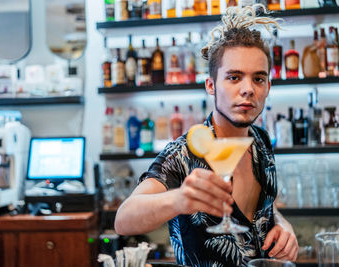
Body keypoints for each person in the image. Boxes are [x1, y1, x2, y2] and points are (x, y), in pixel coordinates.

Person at [114, 4, 298, 266]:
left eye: (258, 79)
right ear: (211, 86)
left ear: (268, 86)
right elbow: (124, 218)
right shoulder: (184, 153)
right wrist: (178, 199)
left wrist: (282, 223)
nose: (248, 89)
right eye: (234, 77)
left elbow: (265, 207)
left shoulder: (261, 141)